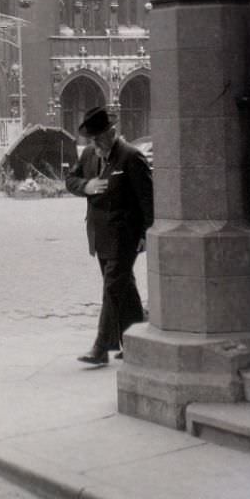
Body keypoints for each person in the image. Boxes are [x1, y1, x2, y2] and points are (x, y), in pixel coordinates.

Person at [66, 107, 153, 366]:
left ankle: (101, 346)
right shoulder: (91, 154)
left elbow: (148, 200)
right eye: (92, 140)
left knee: (112, 287)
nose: (95, 145)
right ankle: (136, 342)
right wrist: (87, 186)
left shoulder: (131, 157)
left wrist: (146, 234)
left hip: (125, 236)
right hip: (99, 234)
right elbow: (70, 180)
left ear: (112, 133)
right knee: (124, 286)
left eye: (99, 139)